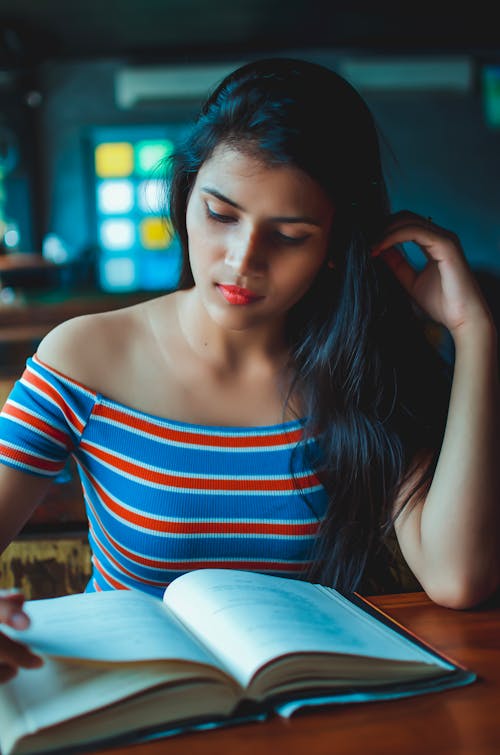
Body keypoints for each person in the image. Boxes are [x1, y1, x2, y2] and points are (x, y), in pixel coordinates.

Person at [0, 57, 498, 682]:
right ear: (184, 198)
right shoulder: (84, 356)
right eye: (220, 214)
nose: (242, 260)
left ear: (337, 250)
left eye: (289, 236)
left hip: (309, 709)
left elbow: (458, 577)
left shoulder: (361, 370)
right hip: (133, 701)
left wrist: (474, 334)